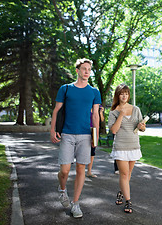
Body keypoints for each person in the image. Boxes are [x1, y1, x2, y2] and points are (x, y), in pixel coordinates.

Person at [50, 58, 101, 218]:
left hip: (85, 135)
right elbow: (56, 110)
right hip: (67, 134)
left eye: (89, 69)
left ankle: (76, 203)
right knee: (64, 171)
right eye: (84, 69)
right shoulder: (65, 89)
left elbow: (96, 116)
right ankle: (62, 190)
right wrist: (52, 130)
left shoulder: (94, 92)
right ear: (77, 70)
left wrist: (96, 135)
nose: (87, 71)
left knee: (81, 169)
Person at [107, 84, 146, 213]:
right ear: (118, 95)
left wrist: (142, 127)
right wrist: (121, 115)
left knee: (128, 174)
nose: (124, 96)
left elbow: (142, 128)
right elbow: (113, 130)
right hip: (121, 147)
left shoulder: (136, 109)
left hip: (134, 146)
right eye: (122, 93)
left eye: (126, 93)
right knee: (123, 174)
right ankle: (128, 202)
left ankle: (121, 193)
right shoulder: (113, 112)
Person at [87, 105, 105, 178]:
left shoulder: (98, 106)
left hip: (94, 131)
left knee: (92, 151)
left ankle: (89, 171)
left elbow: (102, 120)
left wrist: (101, 112)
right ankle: (80, 171)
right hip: (85, 130)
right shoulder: (86, 103)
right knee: (82, 150)